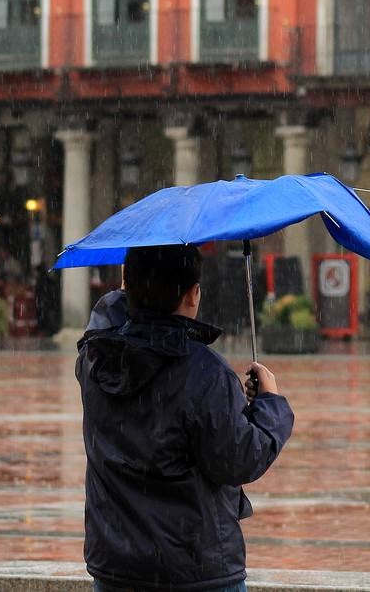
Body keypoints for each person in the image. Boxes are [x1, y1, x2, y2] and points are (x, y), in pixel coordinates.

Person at [76, 244, 294, 592]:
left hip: (115, 567)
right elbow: (238, 460)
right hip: (195, 572)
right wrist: (270, 405)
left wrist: (132, 292)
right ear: (193, 294)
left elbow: (108, 322)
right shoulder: (206, 372)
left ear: (126, 286)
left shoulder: (94, 360)